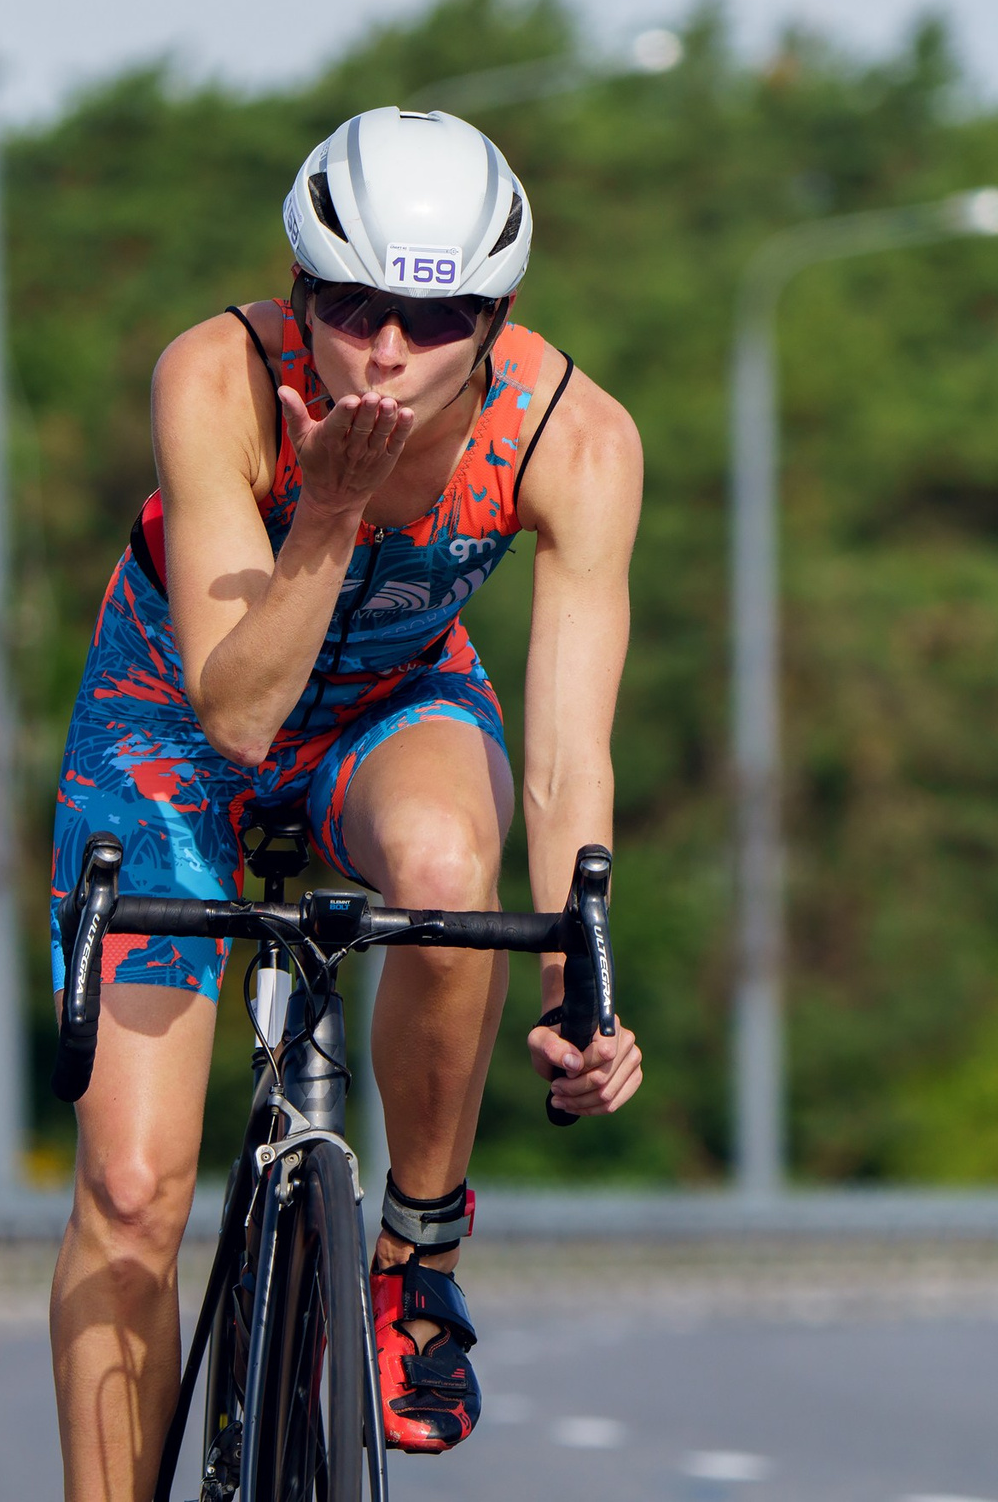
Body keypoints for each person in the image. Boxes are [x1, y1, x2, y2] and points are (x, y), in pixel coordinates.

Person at [47, 107, 645, 1502]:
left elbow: (565, 764)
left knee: (448, 860)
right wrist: (324, 515)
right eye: (350, 303)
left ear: (496, 317)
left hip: (388, 712)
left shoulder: (577, 438)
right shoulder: (218, 376)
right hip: (177, 727)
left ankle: (415, 1258)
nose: (384, 348)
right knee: (134, 1195)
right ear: (295, 287)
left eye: (432, 317)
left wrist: (584, 983)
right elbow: (237, 711)